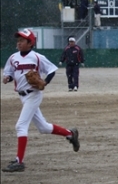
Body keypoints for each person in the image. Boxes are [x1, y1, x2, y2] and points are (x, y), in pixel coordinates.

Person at [2, 29, 80, 173]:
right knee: (43, 127)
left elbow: (51, 70)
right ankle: (70, 134)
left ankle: (19, 161)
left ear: (30, 43)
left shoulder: (37, 57)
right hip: (22, 96)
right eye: (18, 40)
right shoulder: (13, 57)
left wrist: (45, 82)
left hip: (34, 94)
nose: (19, 43)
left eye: (22, 40)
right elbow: (10, 73)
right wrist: (8, 78)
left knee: (20, 126)